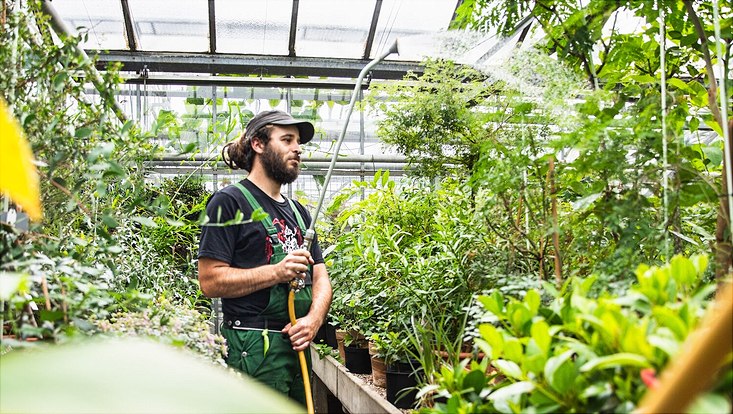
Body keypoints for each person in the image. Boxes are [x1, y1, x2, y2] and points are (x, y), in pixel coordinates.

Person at [198, 110, 332, 405]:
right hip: (253, 346)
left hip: (296, 346)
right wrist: (276, 272)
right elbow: (209, 281)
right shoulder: (228, 202)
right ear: (258, 144)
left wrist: (314, 319)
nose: (297, 148)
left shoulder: (299, 212)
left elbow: (320, 275)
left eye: (298, 142)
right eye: (287, 139)